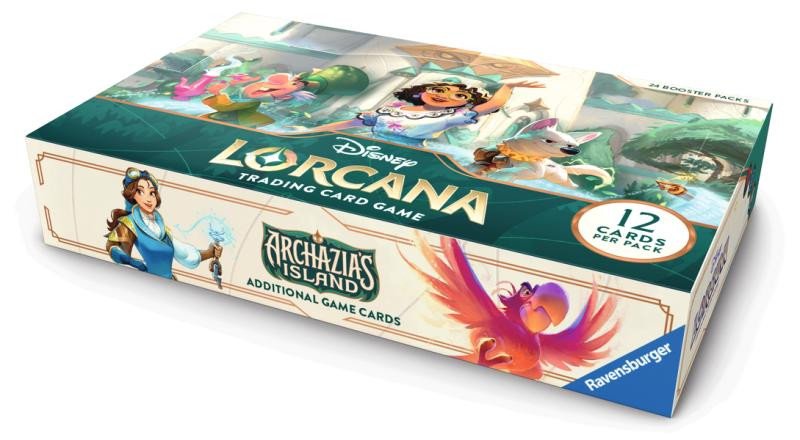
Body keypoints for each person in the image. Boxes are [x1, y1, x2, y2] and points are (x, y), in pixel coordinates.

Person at [299, 80, 544, 146]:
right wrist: (307, 133)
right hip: (366, 149)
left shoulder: (450, 117)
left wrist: (508, 87)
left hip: (408, 156)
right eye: (439, 90)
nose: (444, 95)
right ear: (421, 92)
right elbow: (347, 124)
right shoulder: (388, 110)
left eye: (459, 96)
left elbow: (492, 105)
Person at [105, 167, 222, 280]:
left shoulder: (163, 230)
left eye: (152, 192)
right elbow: (113, 247)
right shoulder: (130, 223)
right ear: (133, 195)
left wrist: (210, 252)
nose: (149, 199)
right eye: (140, 191)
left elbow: (187, 256)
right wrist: (132, 262)